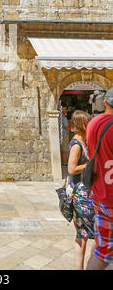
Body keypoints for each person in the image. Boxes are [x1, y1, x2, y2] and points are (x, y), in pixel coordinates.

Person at [86, 88, 113, 270]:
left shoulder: (93, 124)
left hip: (99, 193)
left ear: (104, 103)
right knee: (103, 254)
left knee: (100, 248)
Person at [66, 110, 95, 270]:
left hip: (83, 193)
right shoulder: (76, 145)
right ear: (82, 125)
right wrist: (89, 165)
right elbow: (71, 169)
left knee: (82, 235)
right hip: (81, 196)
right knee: (98, 235)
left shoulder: (82, 141)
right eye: (88, 122)